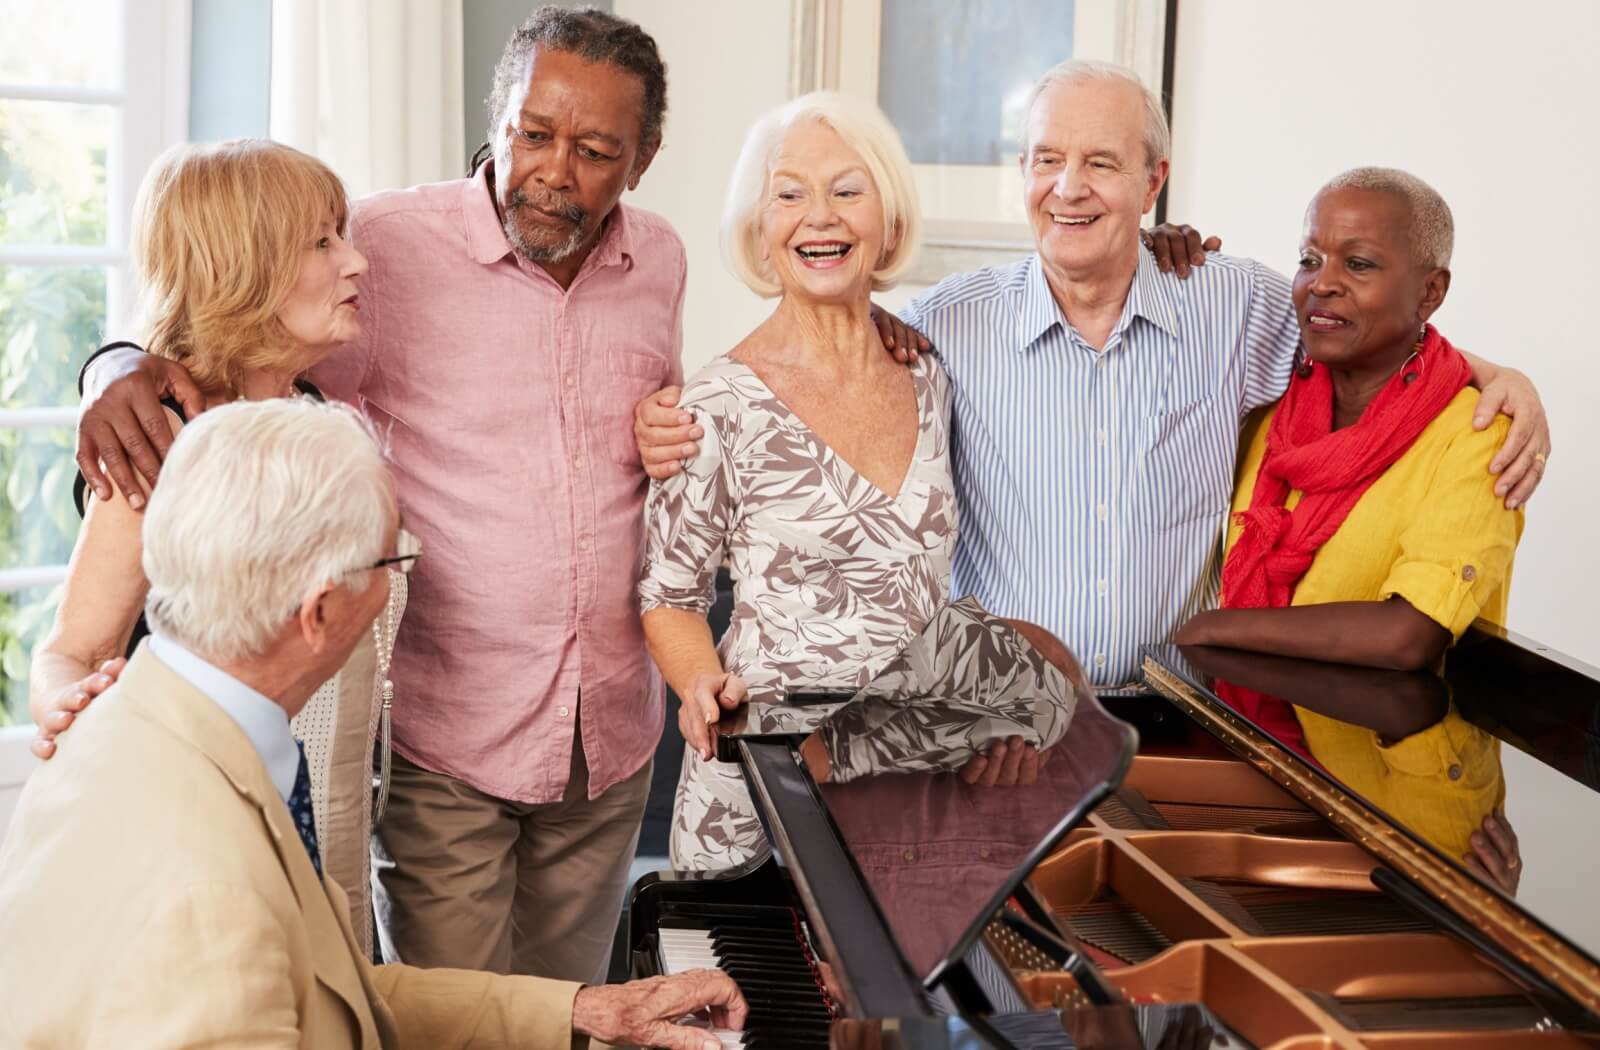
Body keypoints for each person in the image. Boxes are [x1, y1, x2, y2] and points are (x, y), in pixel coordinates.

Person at [65, 6, 927, 976]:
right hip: (447, 741)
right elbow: (236, 324)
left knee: (570, 1011)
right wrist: (117, 364)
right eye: (532, 134)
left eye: (595, 149)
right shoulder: (382, 247)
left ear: (642, 159)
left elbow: (657, 435)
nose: (554, 170)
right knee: (451, 1024)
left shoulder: (662, 263)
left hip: (609, 738)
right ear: (497, 115)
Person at [635, 61, 1552, 693]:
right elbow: (810, 361)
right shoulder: (941, 325)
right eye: (1047, 160)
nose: (1068, 187)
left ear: (1153, 181)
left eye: (1101, 164)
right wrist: (669, 419)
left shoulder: (1232, 304)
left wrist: (1497, 373)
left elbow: (1360, 330)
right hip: (999, 727)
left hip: (1180, 721)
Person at [0, 398, 745, 1050]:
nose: (402, 576)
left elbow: (336, 994)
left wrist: (584, 1009)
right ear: (320, 612)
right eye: (394, 554)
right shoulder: (206, 904)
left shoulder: (129, 722)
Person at [28, 138, 403, 951]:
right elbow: (68, 652)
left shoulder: (318, 416)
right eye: (323, 242)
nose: (358, 263)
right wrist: (69, 706)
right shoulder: (161, 441)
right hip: (205, 846)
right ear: (248, 266)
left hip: (331, 841)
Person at [638, 92, 962, 871]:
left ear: (887, 219)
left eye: (847, 191)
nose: (819, 217)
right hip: (762, 776)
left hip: (911, 779)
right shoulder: (716, 403)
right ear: (760, 228)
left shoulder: (929, 375)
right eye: (790, 195)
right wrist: (701, 687)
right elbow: (669, 597)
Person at [1175, 170, 1524, 673]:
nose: (1322, 283)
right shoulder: (1268, 407)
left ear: (1430, 292)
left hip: (1385, 746)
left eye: (1358, 264)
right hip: (1241, 727)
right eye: (1309, 260)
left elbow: (1410, 635)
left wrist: (1210, 629)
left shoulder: (1477, 438)